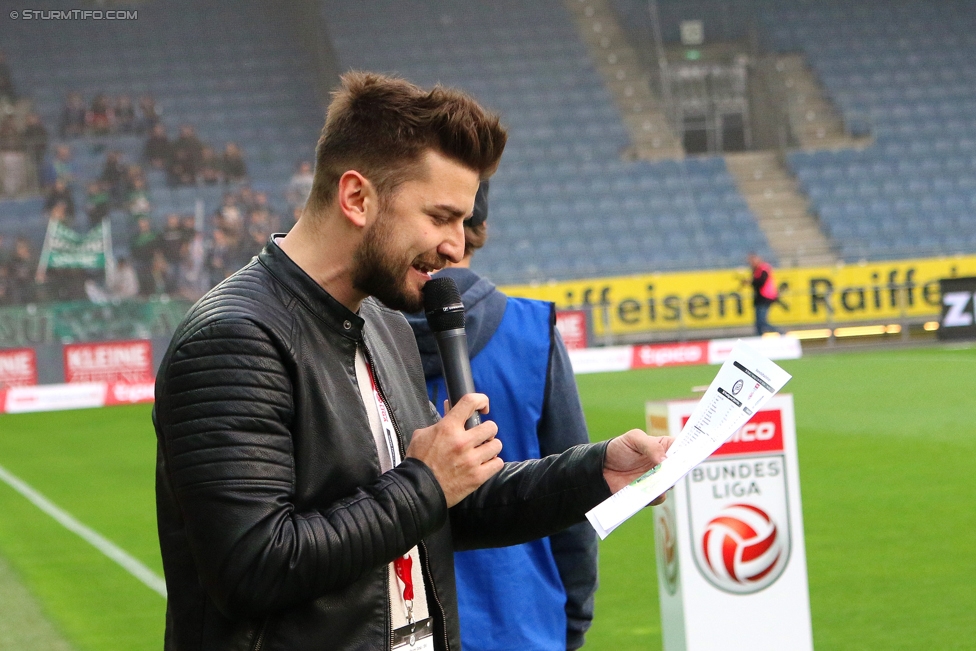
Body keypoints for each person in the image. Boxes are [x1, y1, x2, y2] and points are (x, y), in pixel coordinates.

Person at [153, 71, 673, 651]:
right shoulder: (236, 336)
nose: (456, 245)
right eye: (441, 216)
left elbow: (450, 508)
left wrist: (597, 473)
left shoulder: (383, 326)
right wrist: (424, 481)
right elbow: (254, 566)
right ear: (356, 197)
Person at [405, 181, 598, 651]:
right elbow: (574, 501)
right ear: (482, 228)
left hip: (404, 626)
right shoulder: (532, 331)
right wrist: (571, 620)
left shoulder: (355, 338)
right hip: (523, 624)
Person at [744, 252, 783, 335]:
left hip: (764, 298)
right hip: (760, 299)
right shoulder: (757, 270)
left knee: (762, 323)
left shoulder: (763, 269)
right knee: (758, 324)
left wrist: (751, 281)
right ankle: (759, 340)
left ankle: (782, 333)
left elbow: (761, 282)